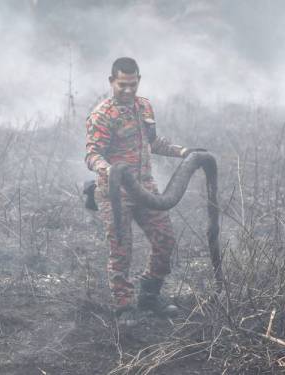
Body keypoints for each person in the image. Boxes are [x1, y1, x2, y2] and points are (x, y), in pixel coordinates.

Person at [85, 57, 203, 324]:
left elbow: (153, 142)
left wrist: (184, 152)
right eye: (122, 85)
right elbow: (92, 155)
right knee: (121, 249)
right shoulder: (102, 115)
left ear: (139, 80)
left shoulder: (144, 106)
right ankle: (124, 306)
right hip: (116, 193)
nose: (127, 90)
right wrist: (109, 170)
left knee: (165, 240)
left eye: (132, 84)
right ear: (111, 81)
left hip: (146, 189)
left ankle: (149, 295)